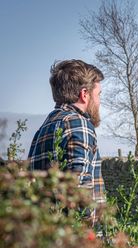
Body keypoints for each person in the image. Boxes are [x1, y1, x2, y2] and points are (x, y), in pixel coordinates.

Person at [28, 59, 105, 220]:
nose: (98, 102)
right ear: (84, 94)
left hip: (47, 232)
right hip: (74, 236)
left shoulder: (44, 127)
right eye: (98, 95)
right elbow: (79, 188)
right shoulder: (78, 123)